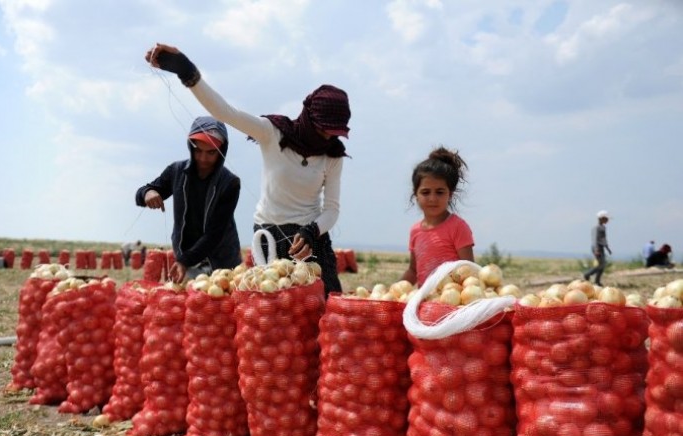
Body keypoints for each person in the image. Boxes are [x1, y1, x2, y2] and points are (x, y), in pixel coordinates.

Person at [144, 43, 350, 296]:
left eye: (334, 133)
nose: (328, 137)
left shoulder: (332, 155)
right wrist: (185, 69)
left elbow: (331, 210)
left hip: (310, 239)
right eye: (322, 130)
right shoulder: (272, 133)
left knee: (325, 306)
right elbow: (224, 112)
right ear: (308, 117)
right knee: (271, 313)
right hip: (269, 236)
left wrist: (312, 231)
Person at [135, 116, 242, 283]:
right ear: (191, 148)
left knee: (220, 305)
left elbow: (215, 234)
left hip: (221, 264)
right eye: (198, 151)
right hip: (186, 261)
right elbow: (143, 192)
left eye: (211, 152)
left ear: (222, 150)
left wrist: (184, 261)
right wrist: (148, 193)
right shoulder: (176, 171)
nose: (203, 158)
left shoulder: (230, 183)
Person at [401, 147, 475, 285]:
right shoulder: (415, 231)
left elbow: (469, 272)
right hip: (425, 303)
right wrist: (393, 289)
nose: (432, 198)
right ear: (415, 194)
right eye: (425, 192)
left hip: (451, 302)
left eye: (440, 192)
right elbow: (413, 271)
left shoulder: (458, 227)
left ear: (450, 195)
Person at [583, 210, 612, 286]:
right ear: (601, 218)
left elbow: (603, 239)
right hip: (597, 248)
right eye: (606, 218)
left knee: (602, 265)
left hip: (601, 248)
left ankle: (597, 281)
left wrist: (607, 248)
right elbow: (595, 239)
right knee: (601, 265)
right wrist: (596, 249)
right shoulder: (596, 228)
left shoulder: (603, 227)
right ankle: (587, 274)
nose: (607, 220)